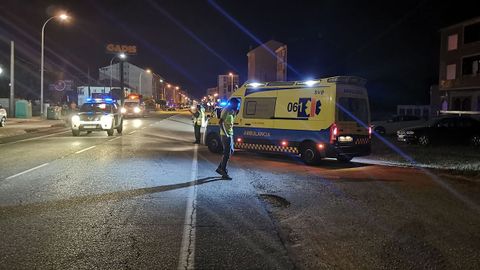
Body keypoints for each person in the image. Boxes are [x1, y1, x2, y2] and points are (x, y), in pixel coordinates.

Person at [216, 98, 240, 180]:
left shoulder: (232, 111)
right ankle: (223, 171)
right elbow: (220, 122)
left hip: (230, 133)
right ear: (233, 104)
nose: (238, 106)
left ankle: (220, 168)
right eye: (237, 104)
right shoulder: (226, 110)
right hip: (225, 135)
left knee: (231, 151)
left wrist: (236, 111)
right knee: (227, 153)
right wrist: (226, 134)